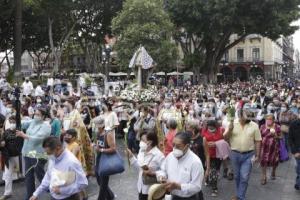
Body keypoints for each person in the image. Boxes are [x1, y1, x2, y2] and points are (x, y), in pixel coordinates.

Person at [224, 105, 262, 200]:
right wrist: (230, 129)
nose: (248, 116)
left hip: (248, 155)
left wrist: (258, 155)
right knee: (237, 176)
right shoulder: (232, 123)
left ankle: (241, 197)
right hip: (234, 154)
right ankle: (238, 194)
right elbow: (225, 138)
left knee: (244, 177)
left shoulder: (254, 125)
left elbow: (258, 140)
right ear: (240, 116)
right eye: (245, 115)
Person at [156, 131, 204, 200]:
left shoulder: (195, 162)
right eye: (173, 145)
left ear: (187, 146)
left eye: (178, 146)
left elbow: (196, 186)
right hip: (172, 196)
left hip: (189, 198)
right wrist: (161, 177)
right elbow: (162, 170)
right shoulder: (170, 156)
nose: (174, 148)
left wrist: (179, 186)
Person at [16, 108, 51, 200]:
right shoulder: (32, 122)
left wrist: (24, 135)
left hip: (38, 154)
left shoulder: (46, 126)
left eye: (38, 114)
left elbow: (38, 137)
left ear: (43, 116)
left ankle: (51, 189)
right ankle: (30, 196)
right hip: (27, 152)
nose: (36, 116)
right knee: (28, 176)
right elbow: (22, 123)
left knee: (40, 174)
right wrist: (15, 120)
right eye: (35, 114)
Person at [126, 131, 164, 200]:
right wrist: (131, 157)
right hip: (141, 187)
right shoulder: (141, 151)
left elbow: (165, 173)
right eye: (141, 140)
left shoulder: (159, 155)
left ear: (151, 142)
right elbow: (139, 168)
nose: (141, 142)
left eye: (143, 140)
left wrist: (153, 173)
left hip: (152, 190)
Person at [0, 116, 23, 200]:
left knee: (26, 173)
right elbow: (2, 142)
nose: (12, 124)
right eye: (11, 122)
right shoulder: (6, 132)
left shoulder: (21, 131)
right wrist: (2, 143)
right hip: (9, 156)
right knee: (7, 174)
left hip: (20, 156)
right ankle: (7, 192)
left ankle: (32, 188)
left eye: (14, 122)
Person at [94, 116, 117, 200]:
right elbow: (98, 145)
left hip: (106, 161)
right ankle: (110, 196)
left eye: (96, 125)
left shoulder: (108, 134)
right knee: (99, 180)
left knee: (103, 183)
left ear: (100, 126)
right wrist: (95, 146)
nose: (95, 127)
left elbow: (113, 149)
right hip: (99, 159)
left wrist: (101, 150)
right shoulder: (97, 134)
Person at [202, 120, 224, 197]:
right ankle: (214, 188)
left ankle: (210, 179)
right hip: (208, 155)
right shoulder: (204, 131)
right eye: (209, 127)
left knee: (215, 171)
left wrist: (216, 144)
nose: (210, 129)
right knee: (210, 170)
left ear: (215, 126)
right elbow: (203, 142)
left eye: (212, 127)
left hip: (218, 155)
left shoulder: (220, 131)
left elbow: (223, 141)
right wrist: (207, 144)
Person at [260, 114, 281, 185]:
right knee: (263, 161)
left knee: (275, 160)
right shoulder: (262, 126)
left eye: (270, 119)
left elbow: (281, 137)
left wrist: (275, 134)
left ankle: (273, 171)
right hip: (264, 147)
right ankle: (264, 176)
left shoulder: (277, 127)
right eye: (267, 119)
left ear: (273, 120)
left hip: (274, 147)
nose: (268, 121)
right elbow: (259, 137)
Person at [289, 119, 300, 190]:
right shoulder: (294, 124)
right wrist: (295, 151)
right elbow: (290, 138)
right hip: (297, 150)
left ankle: (298, 183)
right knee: (298, 168)